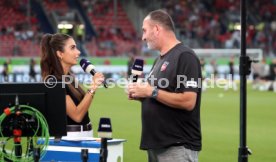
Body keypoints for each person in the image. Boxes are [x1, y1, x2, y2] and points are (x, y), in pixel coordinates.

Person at [127, 9, 202, 162]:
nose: (143, 37)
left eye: (144, 31)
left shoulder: (185, 56)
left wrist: (151, 91)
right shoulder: (159, 60)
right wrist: (140, 94)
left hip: (177, 146)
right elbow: (155, 94)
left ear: (156, 29)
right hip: (157, 145)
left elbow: (188, 101)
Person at [40, 33, 104, 137]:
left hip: (84, 134)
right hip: (71, 137)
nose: (78, 52)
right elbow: (77, 116)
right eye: (72, 48)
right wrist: (93, 87)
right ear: (60, 54)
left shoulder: (68, 78)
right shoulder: (54, 81)